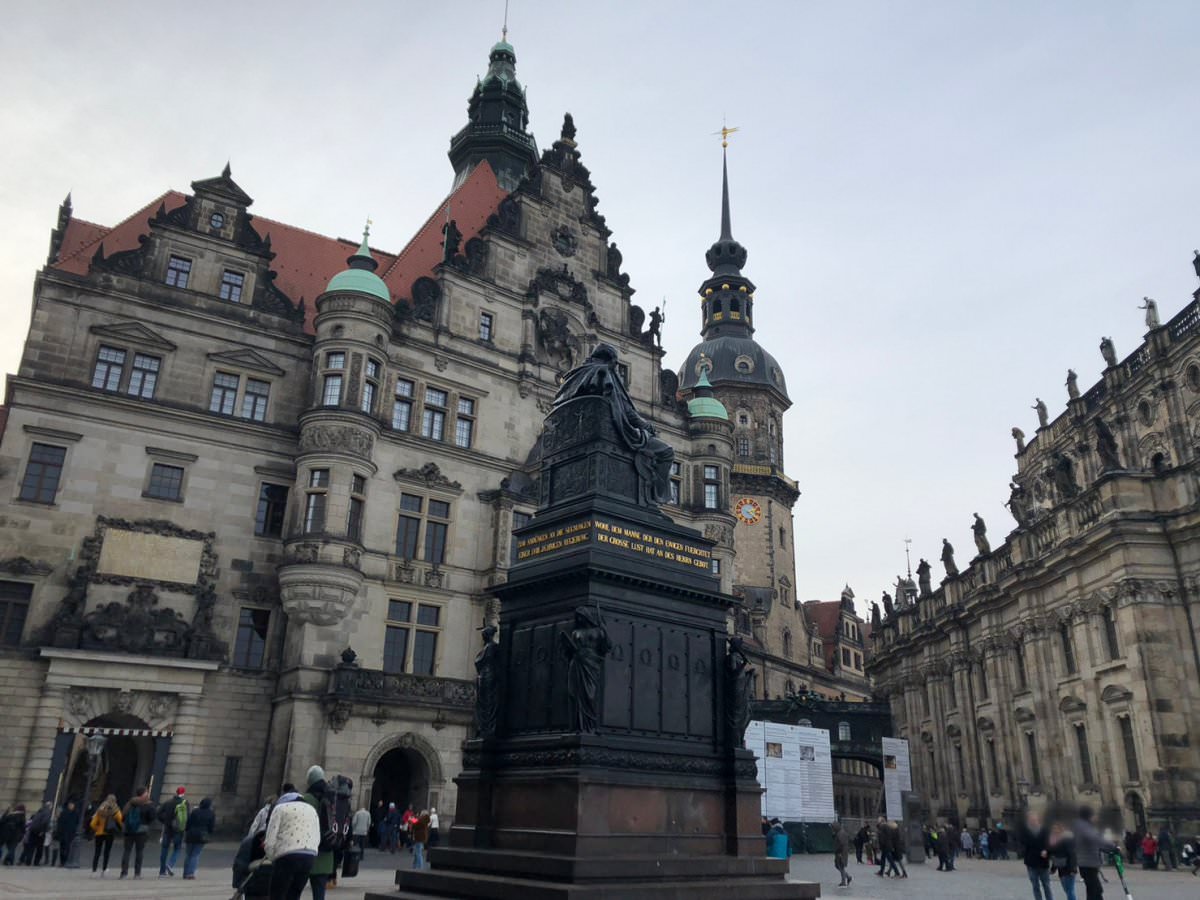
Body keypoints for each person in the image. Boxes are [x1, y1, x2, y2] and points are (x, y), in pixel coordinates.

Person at [264, 791, 320, 900]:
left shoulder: (280, 808)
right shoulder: (312, 810)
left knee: (277, 894)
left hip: (287, 856)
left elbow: (270, 839)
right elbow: (317, 836)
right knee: (294, 894)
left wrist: (271, 858)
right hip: (309, 856)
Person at [301, 765, 336, 900]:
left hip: (308, 851)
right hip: (327, 854)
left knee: (294, 890)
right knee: (319, 894)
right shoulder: (332, 797)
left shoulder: (307, 799)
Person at [1075, 806, 1116, 900]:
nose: (1096, 817)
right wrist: (1113, 846)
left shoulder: (1084, 826)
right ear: (1088, 816)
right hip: (1087, 863)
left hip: (1088, 863)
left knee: (1093, 891)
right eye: (1094, 815)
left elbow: (1094, 843)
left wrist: (1108, 849)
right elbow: (1095, 838)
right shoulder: (1083, 826)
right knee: (1095, 891)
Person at [119, 786, 153, 879]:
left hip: (129, 831)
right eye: (147, 792)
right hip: (141, 831)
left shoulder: (130, 803)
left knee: (127, 851)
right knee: (139, 852)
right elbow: (152, 817)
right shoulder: (147, 805)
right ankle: (137, 874)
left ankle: (124, 873)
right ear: (143, 794)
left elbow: (123, 816)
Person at [232, 828, 273, 900]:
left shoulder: (250, 841)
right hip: (266, 887)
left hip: (252, 886)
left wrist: (239, 886)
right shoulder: (251, 842)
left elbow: (239, 867)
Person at [158, 785, 188, 877]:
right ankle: (170, 864)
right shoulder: (185, 803)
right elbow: (187, 817)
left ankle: (162, 871)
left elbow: (158, 813)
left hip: (167, 829)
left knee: (164, 849)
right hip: (179, 830)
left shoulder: (168, 802)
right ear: (183, 793)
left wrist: (165, 821)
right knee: (177, 848)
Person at [89, 793, 123, 876]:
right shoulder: (116, 810)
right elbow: (120, 821)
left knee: (97, 852)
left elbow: (92, 824)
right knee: (107, 852)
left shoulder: (100, 809)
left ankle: (94, 870)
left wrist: (98, 829)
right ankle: (104, 870)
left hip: (99, 833)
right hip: (110, 833)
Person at [1022, 811, 1052, 900]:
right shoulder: (1026, 832)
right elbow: (1023, 844)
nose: (1032, 821)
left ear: (1038, 819)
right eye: (1031, 819)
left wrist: (1047, 851)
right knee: (1035, 886)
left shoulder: (1046, 830)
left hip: (1043, 862)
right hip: (1031, 863)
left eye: (1034, 819)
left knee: (1046, 885)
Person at [182, 797, 214, 879]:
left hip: (191, 833)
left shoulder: (195, 811)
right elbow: (211, 827)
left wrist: (187, 830)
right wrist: (209, 833)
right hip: (202, 835)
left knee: (188, 854)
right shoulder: (211, 813)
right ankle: (191, 873)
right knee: (195, 854)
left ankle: (185, 873)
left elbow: (188, 823)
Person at [1049, 821, 1078, 900]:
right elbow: (1055, 856)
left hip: (1069, 868)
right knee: (1067, 890)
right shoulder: (1055, 841)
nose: (1055, 831)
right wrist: (1053, 869)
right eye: (1054, 829)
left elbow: (1072, 854)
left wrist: (1073, 869)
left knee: (1069, 890)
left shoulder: (1067, 839)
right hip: (1061, 869)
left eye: (1057, 829)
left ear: (1061, 830)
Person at [55, 799, 78, 866]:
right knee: (63, 848)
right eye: (70, 805)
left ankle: (64, 861)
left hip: (69, 834)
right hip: (64, 833)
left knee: (66, 848)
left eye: (72, 805)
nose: (71, 806)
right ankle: (62, 861)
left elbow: (76, 823)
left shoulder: (75, 814)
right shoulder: (64, 813)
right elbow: (60, 823)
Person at [832, 821, 852, 888]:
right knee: (838, 866)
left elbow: (841, 844)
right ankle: (848, 877)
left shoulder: (840, 833)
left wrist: (839, 852)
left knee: (841, 866)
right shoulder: (840, 832)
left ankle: (844, 881)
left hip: (841, 852)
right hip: (842, 852)